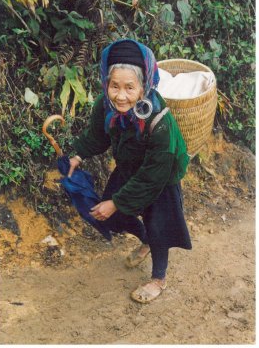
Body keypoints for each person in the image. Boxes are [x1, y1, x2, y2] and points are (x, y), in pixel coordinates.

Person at [68, 39, 192, 303]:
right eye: (114, 86)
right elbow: (97, 135)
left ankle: (158, 278)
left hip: (161, 176)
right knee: (110, 216)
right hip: (129, 166)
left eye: (129, 87)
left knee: (158, 224)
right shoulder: (105, 105)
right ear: (106, 82)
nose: (120, 95)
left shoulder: (160, 121)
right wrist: (79, 153)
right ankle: (145, 239)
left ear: (144, 85)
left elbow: (152, 176)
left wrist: (116, 201)